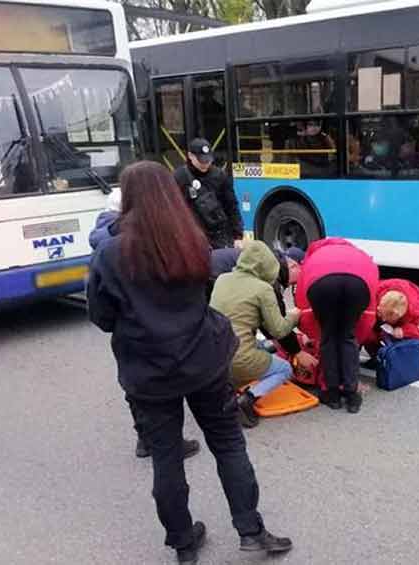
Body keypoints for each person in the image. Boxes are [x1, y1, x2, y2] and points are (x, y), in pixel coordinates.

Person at [87, 161, 292, 564]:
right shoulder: (192, 240)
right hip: (204, 360)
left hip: (148, 373)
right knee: (229, 444)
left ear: (127, 199)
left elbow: (102, 317)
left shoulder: (109, 254)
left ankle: (183, 544)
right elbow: (204, 291)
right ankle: (251, 531)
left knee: (166, 458)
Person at [89, 191, 201, 461]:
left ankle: (144, 438)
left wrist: (122, 323)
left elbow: (99, 309)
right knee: (166, 391)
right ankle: (169, 441)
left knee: (137, 389)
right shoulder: (138, 241)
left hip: (129, 336)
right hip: (160, 331)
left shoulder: (101, 246)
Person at [209, 241, 313, 428]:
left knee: (259, 347)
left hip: (213, 355)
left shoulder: (223, 278)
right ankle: (248, 399)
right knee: (283, 369)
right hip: (237, 356)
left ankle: (226, 388)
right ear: (267, 265)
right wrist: (294, 316)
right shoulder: (263, 289)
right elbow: (278, 330)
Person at [295, 238, 379, 413]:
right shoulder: (360, 255)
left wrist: (312, 334)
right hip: (359, 285)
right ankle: (352, 395)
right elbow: (371, 305)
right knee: (348, 336)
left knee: (328, 336)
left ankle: (332, 394)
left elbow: (302, 303)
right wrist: (359, 337)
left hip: (322, 285)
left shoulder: (313, 256)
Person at [173, 138, 243, 250]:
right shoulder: (179, 177)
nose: (205, 164)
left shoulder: (220, 176)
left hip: (219, 236)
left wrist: (238, 236)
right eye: (201, 160)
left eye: (208, 160)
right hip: (194, 238)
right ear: (190, 156)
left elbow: (231, 206)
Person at [363, 278, 419, 368]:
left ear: (399, 315)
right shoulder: (373, 296)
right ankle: (378, 357)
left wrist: (405, 331)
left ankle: (401, 360)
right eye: (381, 314)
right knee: (368, 332)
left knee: (409, 339)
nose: (384, 319)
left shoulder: (417, 312)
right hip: (382, 315)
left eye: (387, 318)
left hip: (404, 325)